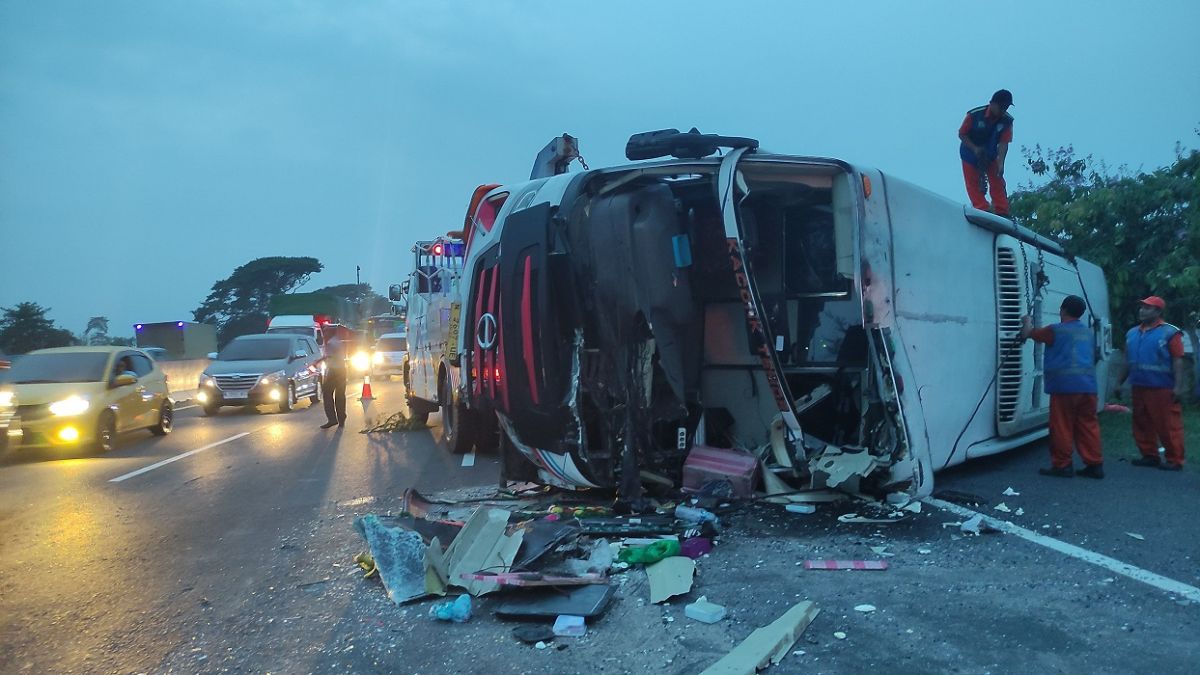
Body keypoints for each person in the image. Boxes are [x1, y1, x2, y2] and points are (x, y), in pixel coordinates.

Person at [1020, 295, 1103, 478]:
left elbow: (1028, 333)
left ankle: (1062, 465)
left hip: (1065, 388)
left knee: (1062, 426)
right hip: (1088, 387)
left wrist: (1027, 320)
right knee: (1088, 425)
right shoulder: (1088, 333)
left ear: (1063, 310)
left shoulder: (1055, 330)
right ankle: (1095, 465)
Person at [1114, 296, 1187, 470]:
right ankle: (1149, 455)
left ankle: (1175, 460)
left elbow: (1178, 360)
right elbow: (1127, 360)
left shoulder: (1170, 332)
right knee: (1141, 422)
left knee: (1167, 425)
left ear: (1158, 312)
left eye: (1148, 308)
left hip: (1162, 387)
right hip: (1139, 385)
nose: (1142, 310)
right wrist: (1118, 382)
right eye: (1142, 307)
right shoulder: (1132, 333)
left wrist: (1178, 386)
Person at [959, 89, 1014, 217]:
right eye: (1001, 107)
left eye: (1006, 107)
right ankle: (982, 208)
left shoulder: (1007, 121)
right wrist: (975, 149)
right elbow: (962, 134)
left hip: (990, 153)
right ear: (992, 104)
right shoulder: (974, 115)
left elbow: (1004, 143)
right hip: (969, 152)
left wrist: (1001, 164)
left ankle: (1002, 211)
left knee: (997, 180)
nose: (1003, 110)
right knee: (972, 182)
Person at [319, 329, 348, 429]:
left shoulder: (331, 343)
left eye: (325, 333)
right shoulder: (337, 341)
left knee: (327, 393)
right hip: (342, 370)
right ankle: (341, 418)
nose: (323, 336)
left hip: (334, 371)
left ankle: (332, 419)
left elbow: (328, 357)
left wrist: (316, 362)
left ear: (329, 333)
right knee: (340, 395)